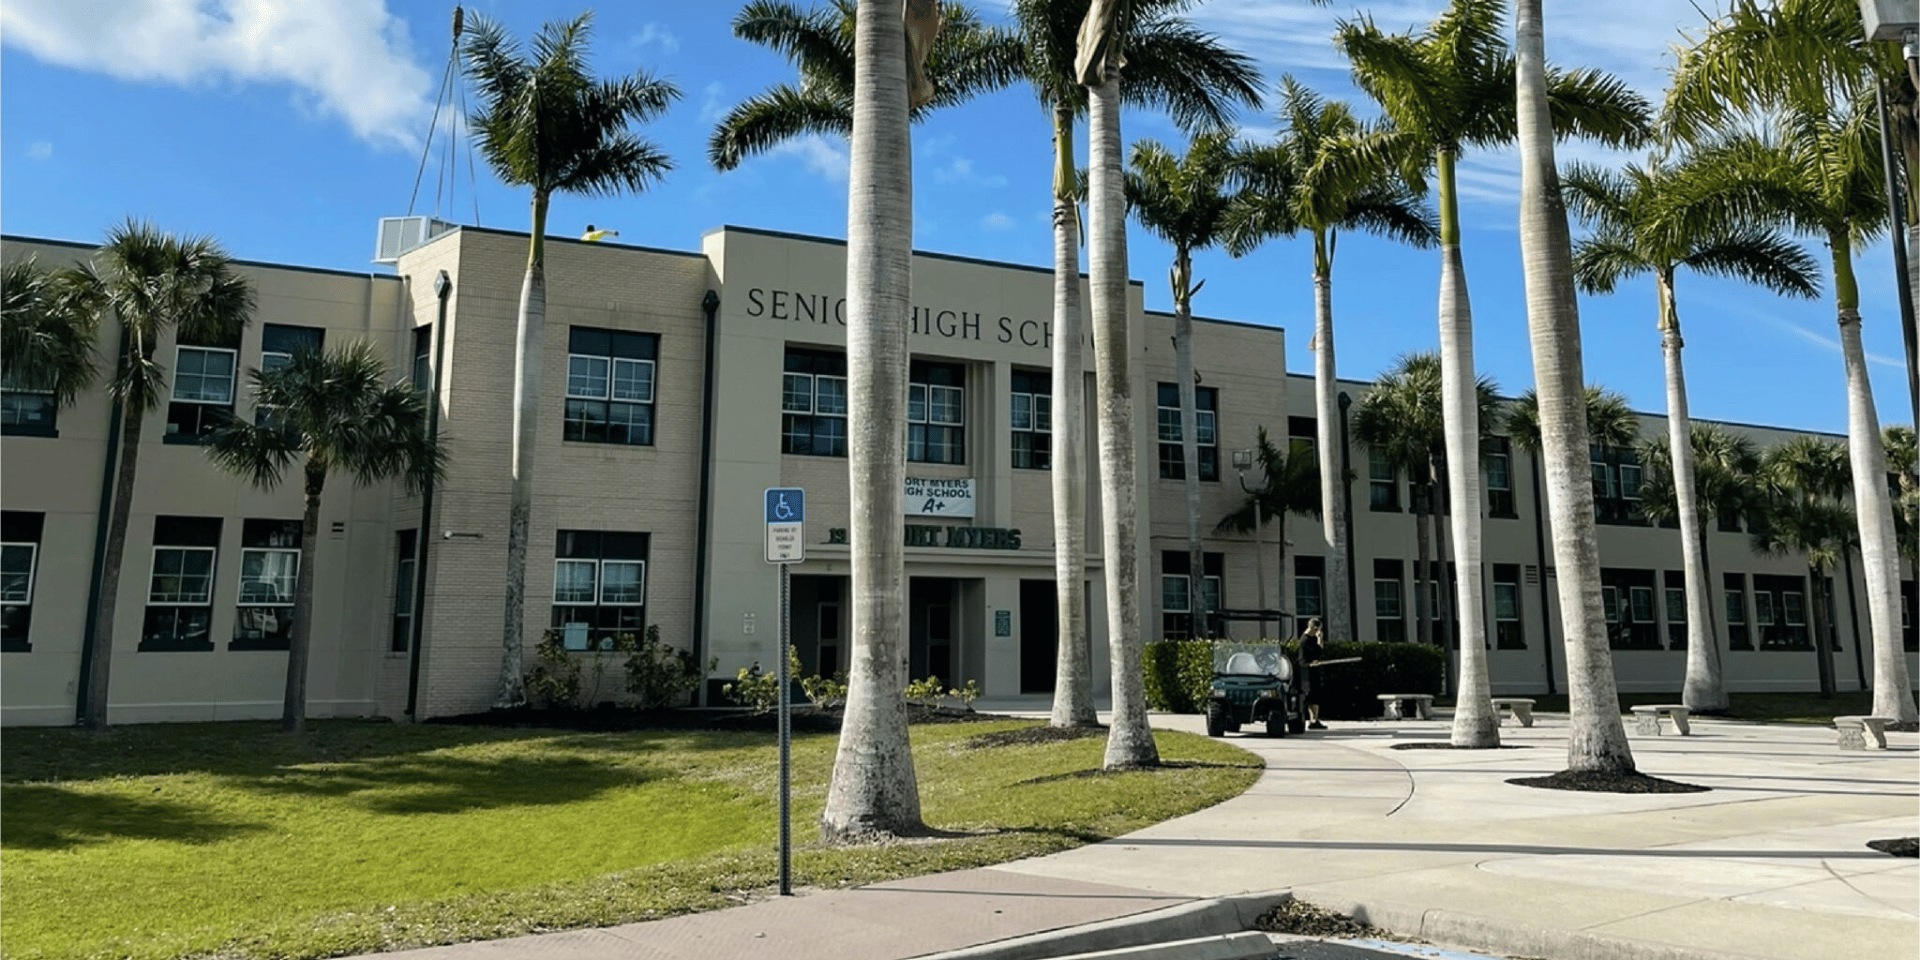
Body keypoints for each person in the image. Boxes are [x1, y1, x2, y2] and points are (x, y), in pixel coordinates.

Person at [1299, 616, 1327, 729]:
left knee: (1314, 695)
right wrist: (1320, 638)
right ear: (1313, 627)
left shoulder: (1310, 638)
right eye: (1317, 629)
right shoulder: (1305, 639)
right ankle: (1313, 719)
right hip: (1307, 669)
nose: (1317, 632)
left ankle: (1314, 719)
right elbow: (1318, 650)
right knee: (1311, 695)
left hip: (1311, 668)